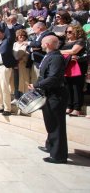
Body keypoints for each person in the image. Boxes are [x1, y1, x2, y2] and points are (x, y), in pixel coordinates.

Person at [30, 35, 68, 164]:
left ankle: (58, 156)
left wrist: (36, 85)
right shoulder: (50, 55)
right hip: (49, 94)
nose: (40, 44)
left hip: (56, 95)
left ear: (48, 44)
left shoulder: (56, 58)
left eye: (42, 42)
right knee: (51, 123)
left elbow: (54, 78)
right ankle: (50, 146)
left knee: (57, 125)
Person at [60, 25, 87, 117]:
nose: (68, 33)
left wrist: (58, 51)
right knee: (68, 87)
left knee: (76, 87)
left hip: (78, 67)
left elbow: (74, 51)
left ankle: (77, 108)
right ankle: (69, 106)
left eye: (70, 32)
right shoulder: (65, 42)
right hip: (67, 66)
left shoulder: (80, 41)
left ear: (77, 32)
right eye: (67, 32)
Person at [12, 29, 30, 100]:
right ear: (17, 36)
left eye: (23, 35)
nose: (21, 37)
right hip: (14, 65)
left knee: (24, 82)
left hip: (23, 65)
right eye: (20, 35)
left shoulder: (27, 44)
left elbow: (28, 54)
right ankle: (16, 98)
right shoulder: (14, 44)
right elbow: (12, 53)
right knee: (15, 82)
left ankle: (24, 98)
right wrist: (14, 62)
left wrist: (20, 60)